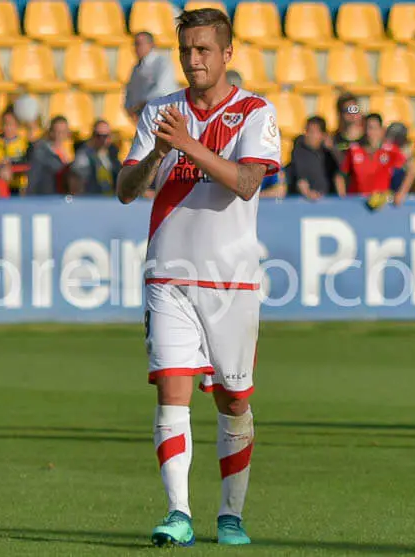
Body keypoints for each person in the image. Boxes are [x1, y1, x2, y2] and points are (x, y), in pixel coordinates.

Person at [116, 8, 280, 547]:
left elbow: (248, 182)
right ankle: (178, 513)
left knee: (233, 400)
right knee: (172, 391)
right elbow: (125, 187)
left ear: (228, 53)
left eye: (205, 49)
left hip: (231, 279)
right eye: (187, 49)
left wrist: (187, 146)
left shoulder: (255, 111)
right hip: (168, 273)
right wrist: (157, 153)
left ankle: (230, 514)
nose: (194, 59)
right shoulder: (160, 112)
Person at [335, 113, 415, 201]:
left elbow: (412, 168)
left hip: (379, 205)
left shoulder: (389, 151)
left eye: (373, 128)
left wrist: (401, 193)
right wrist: (342, 199)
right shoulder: (353, 150)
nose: (369, 132)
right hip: (356, 204)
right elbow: (339, 176)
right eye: (367, 128)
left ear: (381, 130)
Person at [124, 32, 179, 119]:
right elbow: (130, 90)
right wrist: (129, 108)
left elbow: (162, 90)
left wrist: (139, 106)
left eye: (138, 44)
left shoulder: (162, 63)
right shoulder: (137, 67)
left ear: (151, 45)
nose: (135, 48)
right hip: (144, 115)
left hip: (162, 114)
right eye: (134, 44)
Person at [287, 116, 339, 200]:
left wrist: (333, 150)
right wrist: (308, 193)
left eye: (311, 132)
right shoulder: (300, 151)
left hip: (330, 200)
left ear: (323, 135)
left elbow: (344, 171)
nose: (307, 135)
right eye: (306, 131)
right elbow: (301, 179)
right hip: (308, 201)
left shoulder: (330, 152)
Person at [69, 120, 122, 195]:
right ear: (92, 136)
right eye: (98, 136)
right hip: (92, 201)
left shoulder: (112, 155)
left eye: (105, 136)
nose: (102, 139)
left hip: (110, 201)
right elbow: (76, 185)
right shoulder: (83, 156)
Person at [26, 116, 73, 195]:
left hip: (62, 198)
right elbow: (33, 179)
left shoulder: (69, 151)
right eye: (57, 132)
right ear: (51, 132)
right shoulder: (40, 153)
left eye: (63, 132)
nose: (60, 135)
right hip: (46, 199)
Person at [0, 108, 31, 195]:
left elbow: (27, 162)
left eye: (11, 124)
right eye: (5, 124)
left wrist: (10, 163)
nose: (7, 127)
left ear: (17, 125)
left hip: (19, 187)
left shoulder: (25, 144)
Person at [331, 92, 364, 164]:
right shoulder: (334, 140)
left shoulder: (368, 137)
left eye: (354, 109)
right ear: (340, 114)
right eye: (347, 110)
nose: (351, 113)